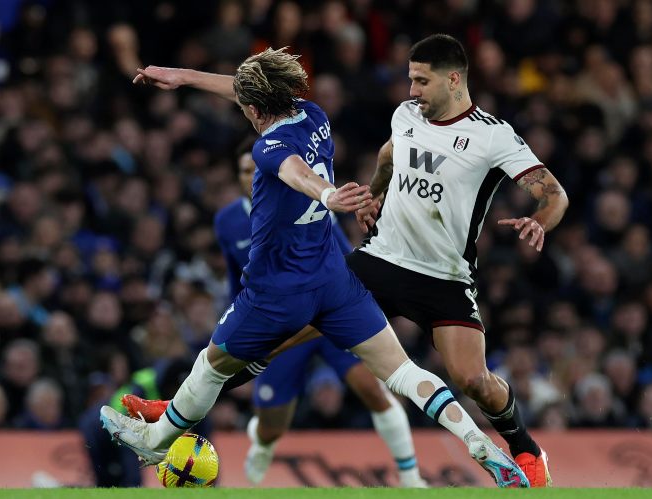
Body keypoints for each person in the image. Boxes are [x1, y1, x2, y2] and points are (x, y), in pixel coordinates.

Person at [99, 47, 529, 488]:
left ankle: (155, 439)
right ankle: (479, 442)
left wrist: (326, 195)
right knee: (402, 373)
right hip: (334, 280)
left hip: (277, 293)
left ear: (253, 110)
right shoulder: (314, 114)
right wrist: (183, 76)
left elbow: (295, 172)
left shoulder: (267, 147)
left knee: (211, 366)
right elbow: (249, 95)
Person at [126, 137, 428, 487]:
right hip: (279, 327)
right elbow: (238, 278)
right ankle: (263, 441)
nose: (250, 176)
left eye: (256, 169)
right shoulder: (227, 222)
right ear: (237, 176)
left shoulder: (301, 199)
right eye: (243, 171)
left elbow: (343, 260)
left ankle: (411, 479)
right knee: (272, 425)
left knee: (375, 390)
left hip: (326, 317)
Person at [350, 34, 569, 487]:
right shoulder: (405, 115)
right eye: (410, 79)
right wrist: (373, 193)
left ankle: (527, 449)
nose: (412, 91)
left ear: (454, 80)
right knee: (294, 319)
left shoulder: (493, 135)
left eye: (421, 81)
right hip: (381, 259)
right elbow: (390, 155)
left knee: (473, 380)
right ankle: (183, 410)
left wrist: (540, 221)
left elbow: (554, 193)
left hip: (443, 277)